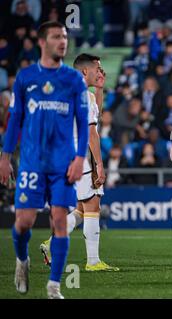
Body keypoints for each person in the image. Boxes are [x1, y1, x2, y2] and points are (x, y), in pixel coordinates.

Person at [0, 21, 89, 298]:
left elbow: (83, 123)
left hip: (63, 163)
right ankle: (22, 261)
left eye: (64, 36)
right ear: (42, 42)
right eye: (56, 37)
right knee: (23, 223)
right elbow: (14, 120)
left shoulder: (74, 79)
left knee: (60, 222)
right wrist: (4, 157)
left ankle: (54, 285)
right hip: (31, 161)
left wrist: (78, 158)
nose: (62, 41)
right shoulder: (26, 77)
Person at [40, 53, 119, 272]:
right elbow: (92, 131)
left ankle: (51, 244)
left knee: (82, 209)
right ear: (85, 71)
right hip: (79, 156)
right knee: (92, 204)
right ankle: (93, 262)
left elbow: (95, 116)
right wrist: (99, 164)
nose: (100, 72)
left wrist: (100, 90)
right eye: (97, 68)